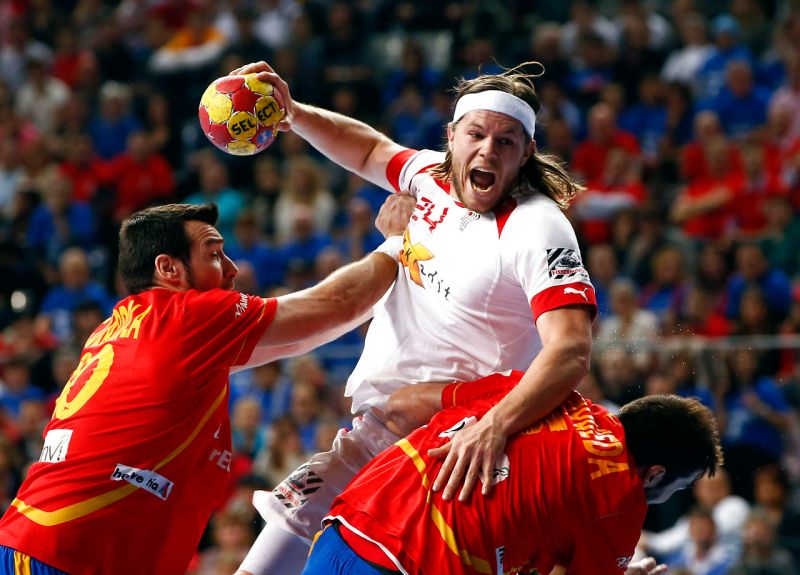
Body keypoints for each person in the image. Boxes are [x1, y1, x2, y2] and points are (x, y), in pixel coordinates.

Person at [230, 60, 597, 575]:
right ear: (452, 137)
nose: (488, 150)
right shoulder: (427, 176)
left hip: (454, 445)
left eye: (506, 141)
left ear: (527, 152)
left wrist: (493, 426)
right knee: (287, 532)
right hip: (385, 424)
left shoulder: (538, 227)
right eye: (476, 134)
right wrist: (295, 114)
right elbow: (369, 149)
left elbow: (571, 349)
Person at [0, 200, 412, 574]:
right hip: (60, 556)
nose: (232, 268)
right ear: (168, 269)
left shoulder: (129, 328)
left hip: (53, 547)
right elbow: (333, 306)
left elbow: (301, 337)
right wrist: (397, 243)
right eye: (214, 254)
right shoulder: (184, 317)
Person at [301, 370, 723, 575]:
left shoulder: (544, 390)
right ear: (655, 473)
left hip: (349, 523)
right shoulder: (622, 499)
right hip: (411, 566)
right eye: (677, 487)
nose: (669, 497)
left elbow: (404, 403)